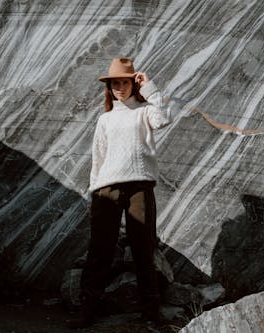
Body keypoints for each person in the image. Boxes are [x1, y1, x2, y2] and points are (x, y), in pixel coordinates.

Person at [68, 57, 171, 328]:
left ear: (132, 83)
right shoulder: (105, 119)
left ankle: (151, 312)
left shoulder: (145, 111)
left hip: (140, 186)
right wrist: (94, 192)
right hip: (107, 188)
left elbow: (164, 119)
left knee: (143, 249)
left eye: (124, 82)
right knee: (100, 249)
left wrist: (150, 88)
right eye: (115, 83)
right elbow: (98, 157)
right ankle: (87, 309)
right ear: (110, 86)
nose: (119, 88)